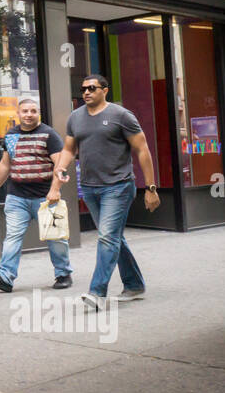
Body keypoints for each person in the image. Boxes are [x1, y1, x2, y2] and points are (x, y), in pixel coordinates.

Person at [47, 74, 160, 311]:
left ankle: (97, 292)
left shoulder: (121, 116)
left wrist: (150, 188)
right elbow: (69, 149)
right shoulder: (75, 117)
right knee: (113, 237)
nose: (86, 92)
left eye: (92, 88)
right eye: (83, 89)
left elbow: (142, 150)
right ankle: (134, 284)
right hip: (90, 187)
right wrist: (59, 168)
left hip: (118, 185)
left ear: (105, 90)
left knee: (107, 237)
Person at [0, 98, 73, 292]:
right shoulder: (11, 135)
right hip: (17, 197)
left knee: (55, 238)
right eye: (25, 111)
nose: (29, 114)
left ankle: (63, 274)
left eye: (32, 111)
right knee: (12, 237)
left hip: (45, 198)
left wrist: (55, 190)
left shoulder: (49, 134)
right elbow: (6, 164)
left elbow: (60, 165)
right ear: (18, 114)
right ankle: (5, 277)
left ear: (38, 113)